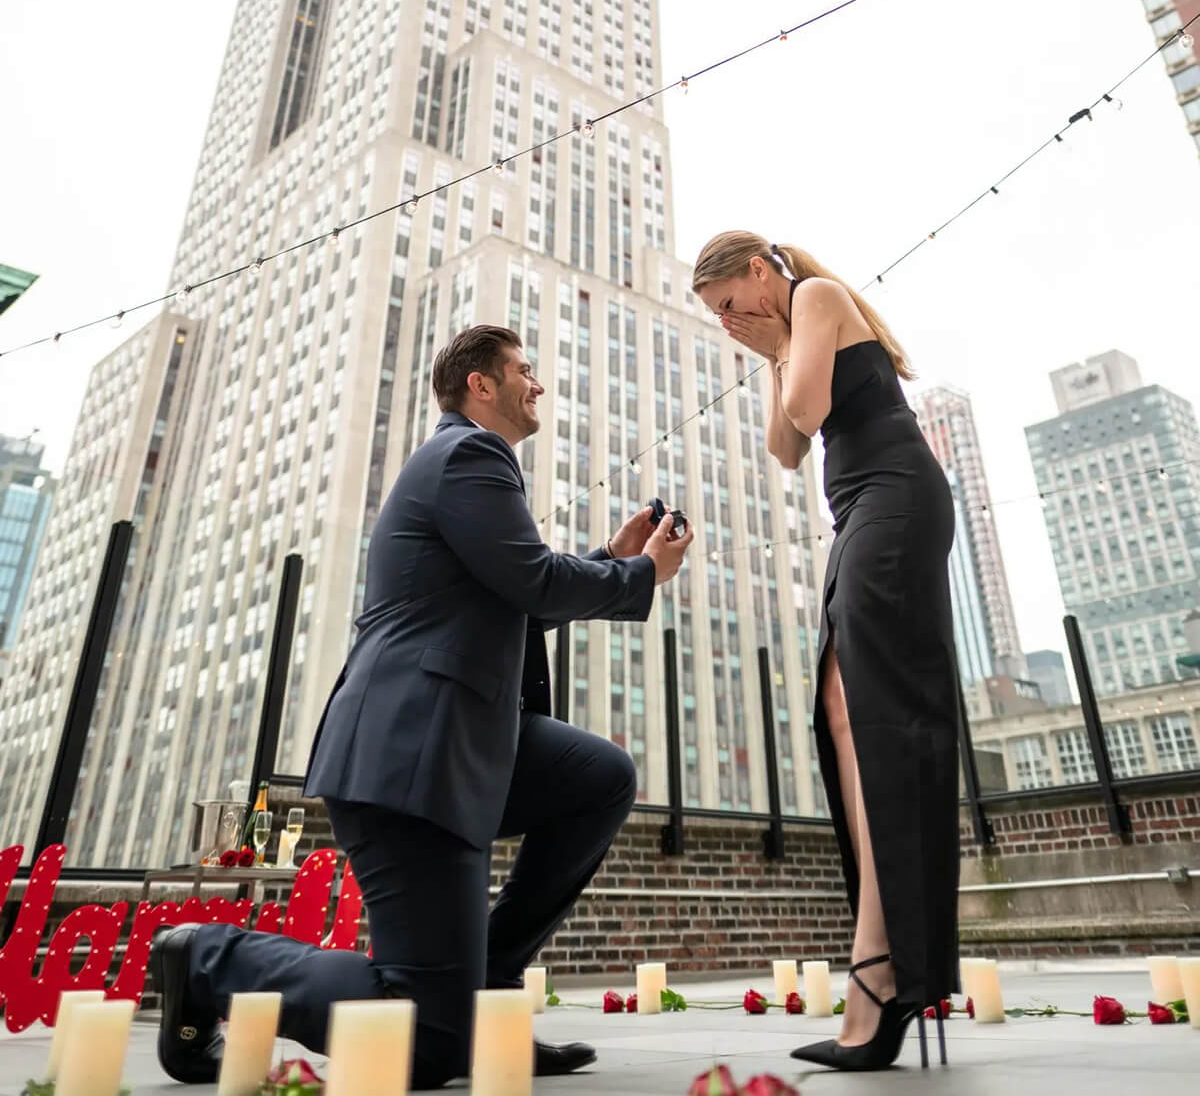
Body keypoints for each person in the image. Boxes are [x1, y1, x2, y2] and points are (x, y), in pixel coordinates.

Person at [151, 324, 692, 1088]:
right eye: (522, 369)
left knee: (599, 774)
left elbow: (516, 596)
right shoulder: (469, 454)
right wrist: (640, 574)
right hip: (410, 759)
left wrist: (609, 558)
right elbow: (533, 580)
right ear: (480, 384)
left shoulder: (468, 467)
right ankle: (205, 956)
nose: (537, 384)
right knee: (429, 1044)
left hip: (461, 748)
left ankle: (487, 996)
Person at [691, 233, 959, 1074]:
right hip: (858, 513)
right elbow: (785, 447)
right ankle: (883, 962)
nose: (729, 322)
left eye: (730, 302)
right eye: (717, 317)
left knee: (879, 717)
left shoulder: (815, 299)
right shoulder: (787, 329)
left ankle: (884, 969)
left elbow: (807, 412)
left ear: (762, 273)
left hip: (895, 498)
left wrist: (779, 350)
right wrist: (770, 357)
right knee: (844, 711)